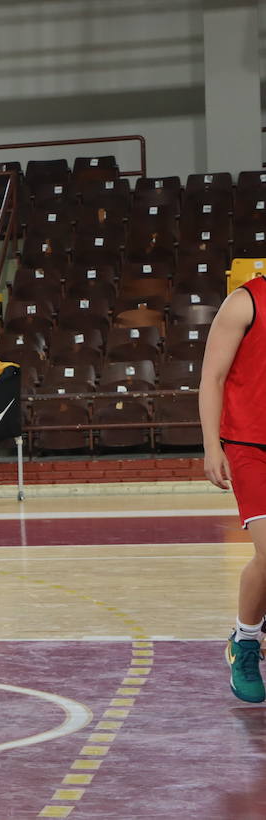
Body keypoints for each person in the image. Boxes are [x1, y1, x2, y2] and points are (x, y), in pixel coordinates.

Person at [201, 273, 266, 702]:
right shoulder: (246, 301)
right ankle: (245, 642)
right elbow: (213, 377)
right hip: (249, 445)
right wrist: (212, 446)